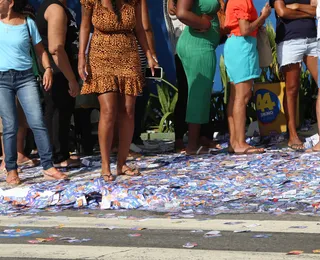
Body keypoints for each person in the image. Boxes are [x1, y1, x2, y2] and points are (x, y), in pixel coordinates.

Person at [78, 0, 158, 181]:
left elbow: (139, 29)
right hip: (101, 53)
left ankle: (121, 163)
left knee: (128, 110)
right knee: (108, 110)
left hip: (129, 54)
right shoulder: (91, 1)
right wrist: (81, 57)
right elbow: (84, 27)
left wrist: (149, 55)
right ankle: (105, 164)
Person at [0, 0, 68, 184]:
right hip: (2, 80)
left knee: (37, 121)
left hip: (25, 77)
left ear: (11, 2)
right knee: (10, 125)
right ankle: (11, 169)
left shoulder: (27, 22)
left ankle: (48, 166)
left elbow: (41, 50)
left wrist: (47, 69)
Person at [167, 0, 221, 153]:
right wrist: (206, 25)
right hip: (197, 45)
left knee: (200, 94)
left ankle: (195, 142)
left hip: (202, 44)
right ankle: (191, 145)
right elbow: (182, 13)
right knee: (197, 94)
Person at [36, 0, 81, 167]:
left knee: (60, 111)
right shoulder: (55, 9)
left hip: (60, 70)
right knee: (58, 111)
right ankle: (58, 157)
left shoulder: (58, 8)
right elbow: (56, 48)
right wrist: (71, 79)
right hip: (59, 71)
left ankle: (58, 154)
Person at [224, 0, 271, 154]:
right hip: (242, 47)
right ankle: (240, 143)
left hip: (236, 46)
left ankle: (234, 142)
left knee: (235, 97)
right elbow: (245, 29)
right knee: (242, 97)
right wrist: (263, 17)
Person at [270, 0, 317, 151]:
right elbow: (282, 12)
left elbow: (317, 10)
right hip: (289, 41)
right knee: (292, 89)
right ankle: (292, 135)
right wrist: (306, 12)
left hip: (313, 39)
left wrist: (296, 8)